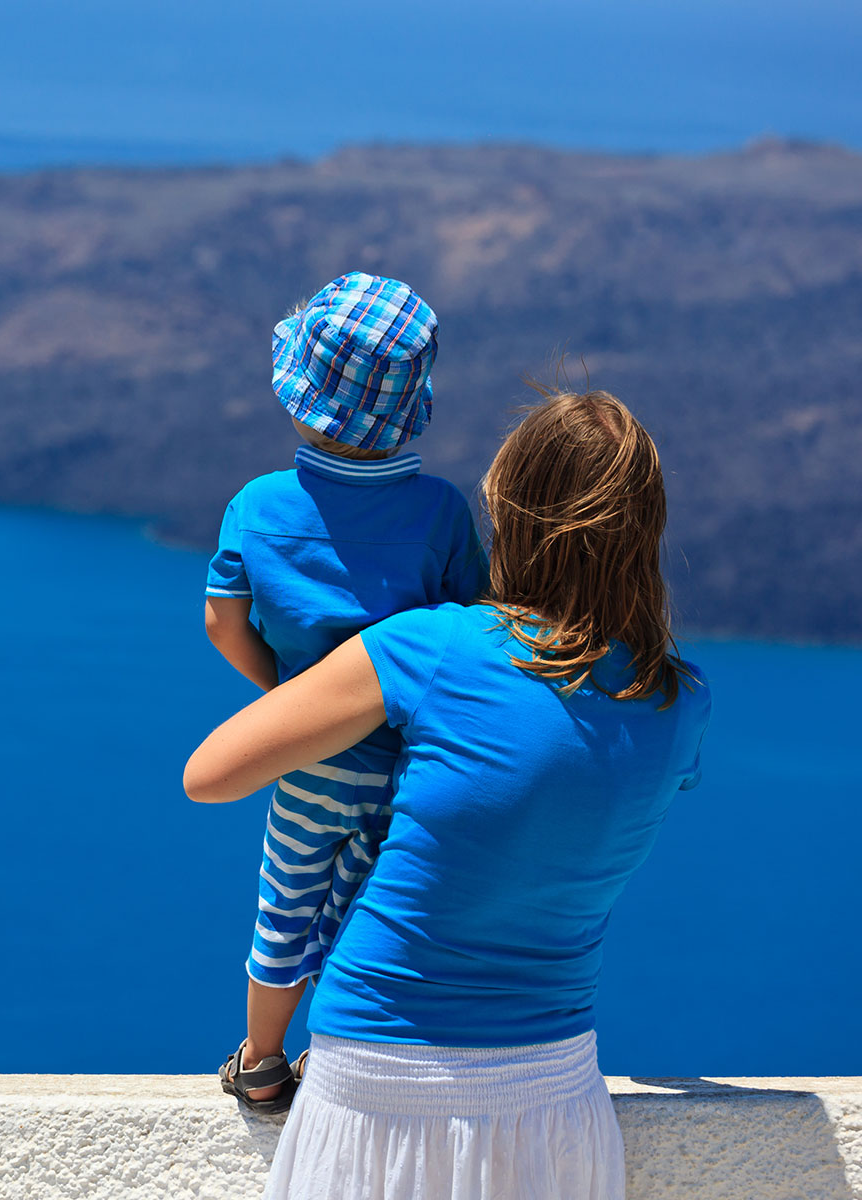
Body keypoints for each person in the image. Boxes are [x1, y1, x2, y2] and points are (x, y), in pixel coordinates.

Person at [184, 388, 712, 1200]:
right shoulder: (680, 702)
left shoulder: (431, 650)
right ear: (645, 531)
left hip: (377, 1087)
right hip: (557, 1100)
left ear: (510, 513)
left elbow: (211, 774)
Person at [204, 271, 486, 1112]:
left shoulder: (257, 507)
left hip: (307, 765)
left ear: (304, 399)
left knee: (286, 904)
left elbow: (223, 623)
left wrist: (289, 699)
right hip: (408, 766)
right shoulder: (440, 513)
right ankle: (358, 1059)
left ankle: (261, 1061)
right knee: (371, 912)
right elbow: (470, 630)